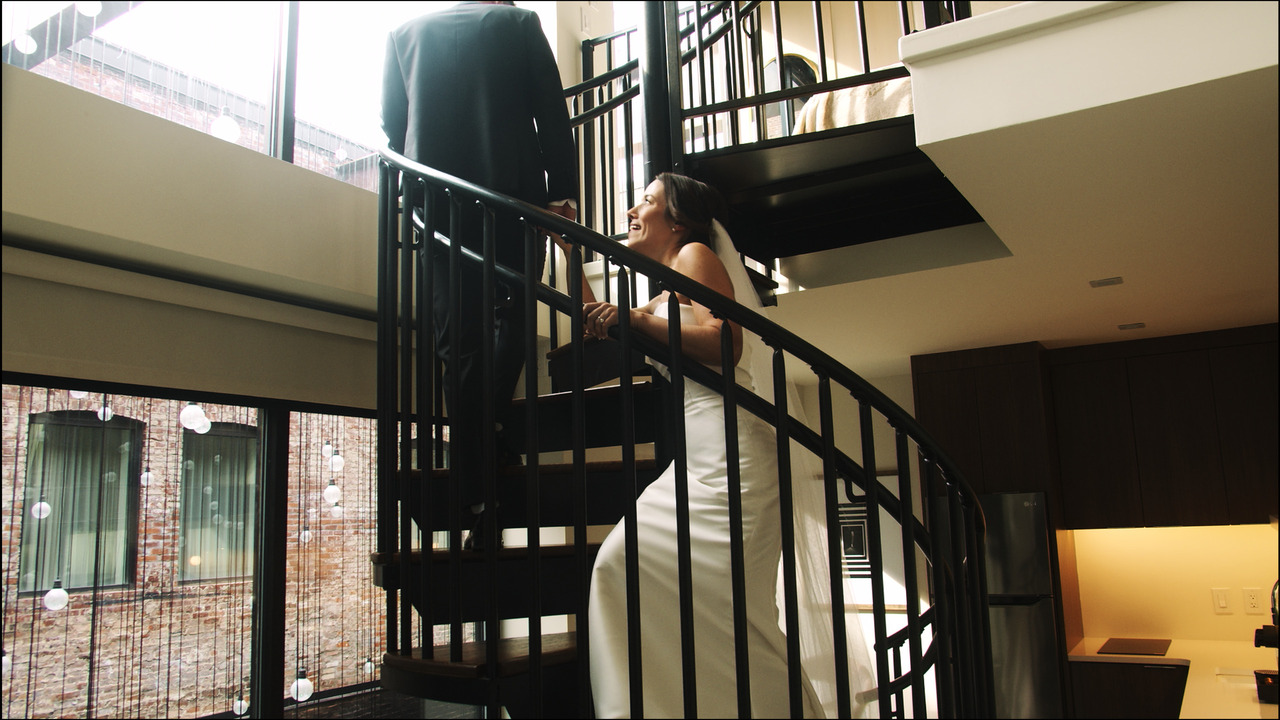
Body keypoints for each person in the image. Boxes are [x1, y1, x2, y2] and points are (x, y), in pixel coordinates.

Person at [573, 173, 876, 718]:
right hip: (698, 456)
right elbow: (602, 323)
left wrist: (635, 318)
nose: (631, 210)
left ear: (680, 220)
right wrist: (573, 255)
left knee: (730, 611)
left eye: (646, 200)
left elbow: (727, 342)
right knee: (621, 567)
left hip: (734, 454)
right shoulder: (664, 286)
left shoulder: (693, 255)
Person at [381, 1, 578, 549]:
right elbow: (550, 112)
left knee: (456, 344)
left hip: (435, 206)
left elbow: (393, 126)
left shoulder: (403, 33)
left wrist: (410, 188)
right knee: (514, 315)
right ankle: (489, 435)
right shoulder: (519, 24)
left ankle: (476, 496)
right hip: (513, 198)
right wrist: (561, 193)